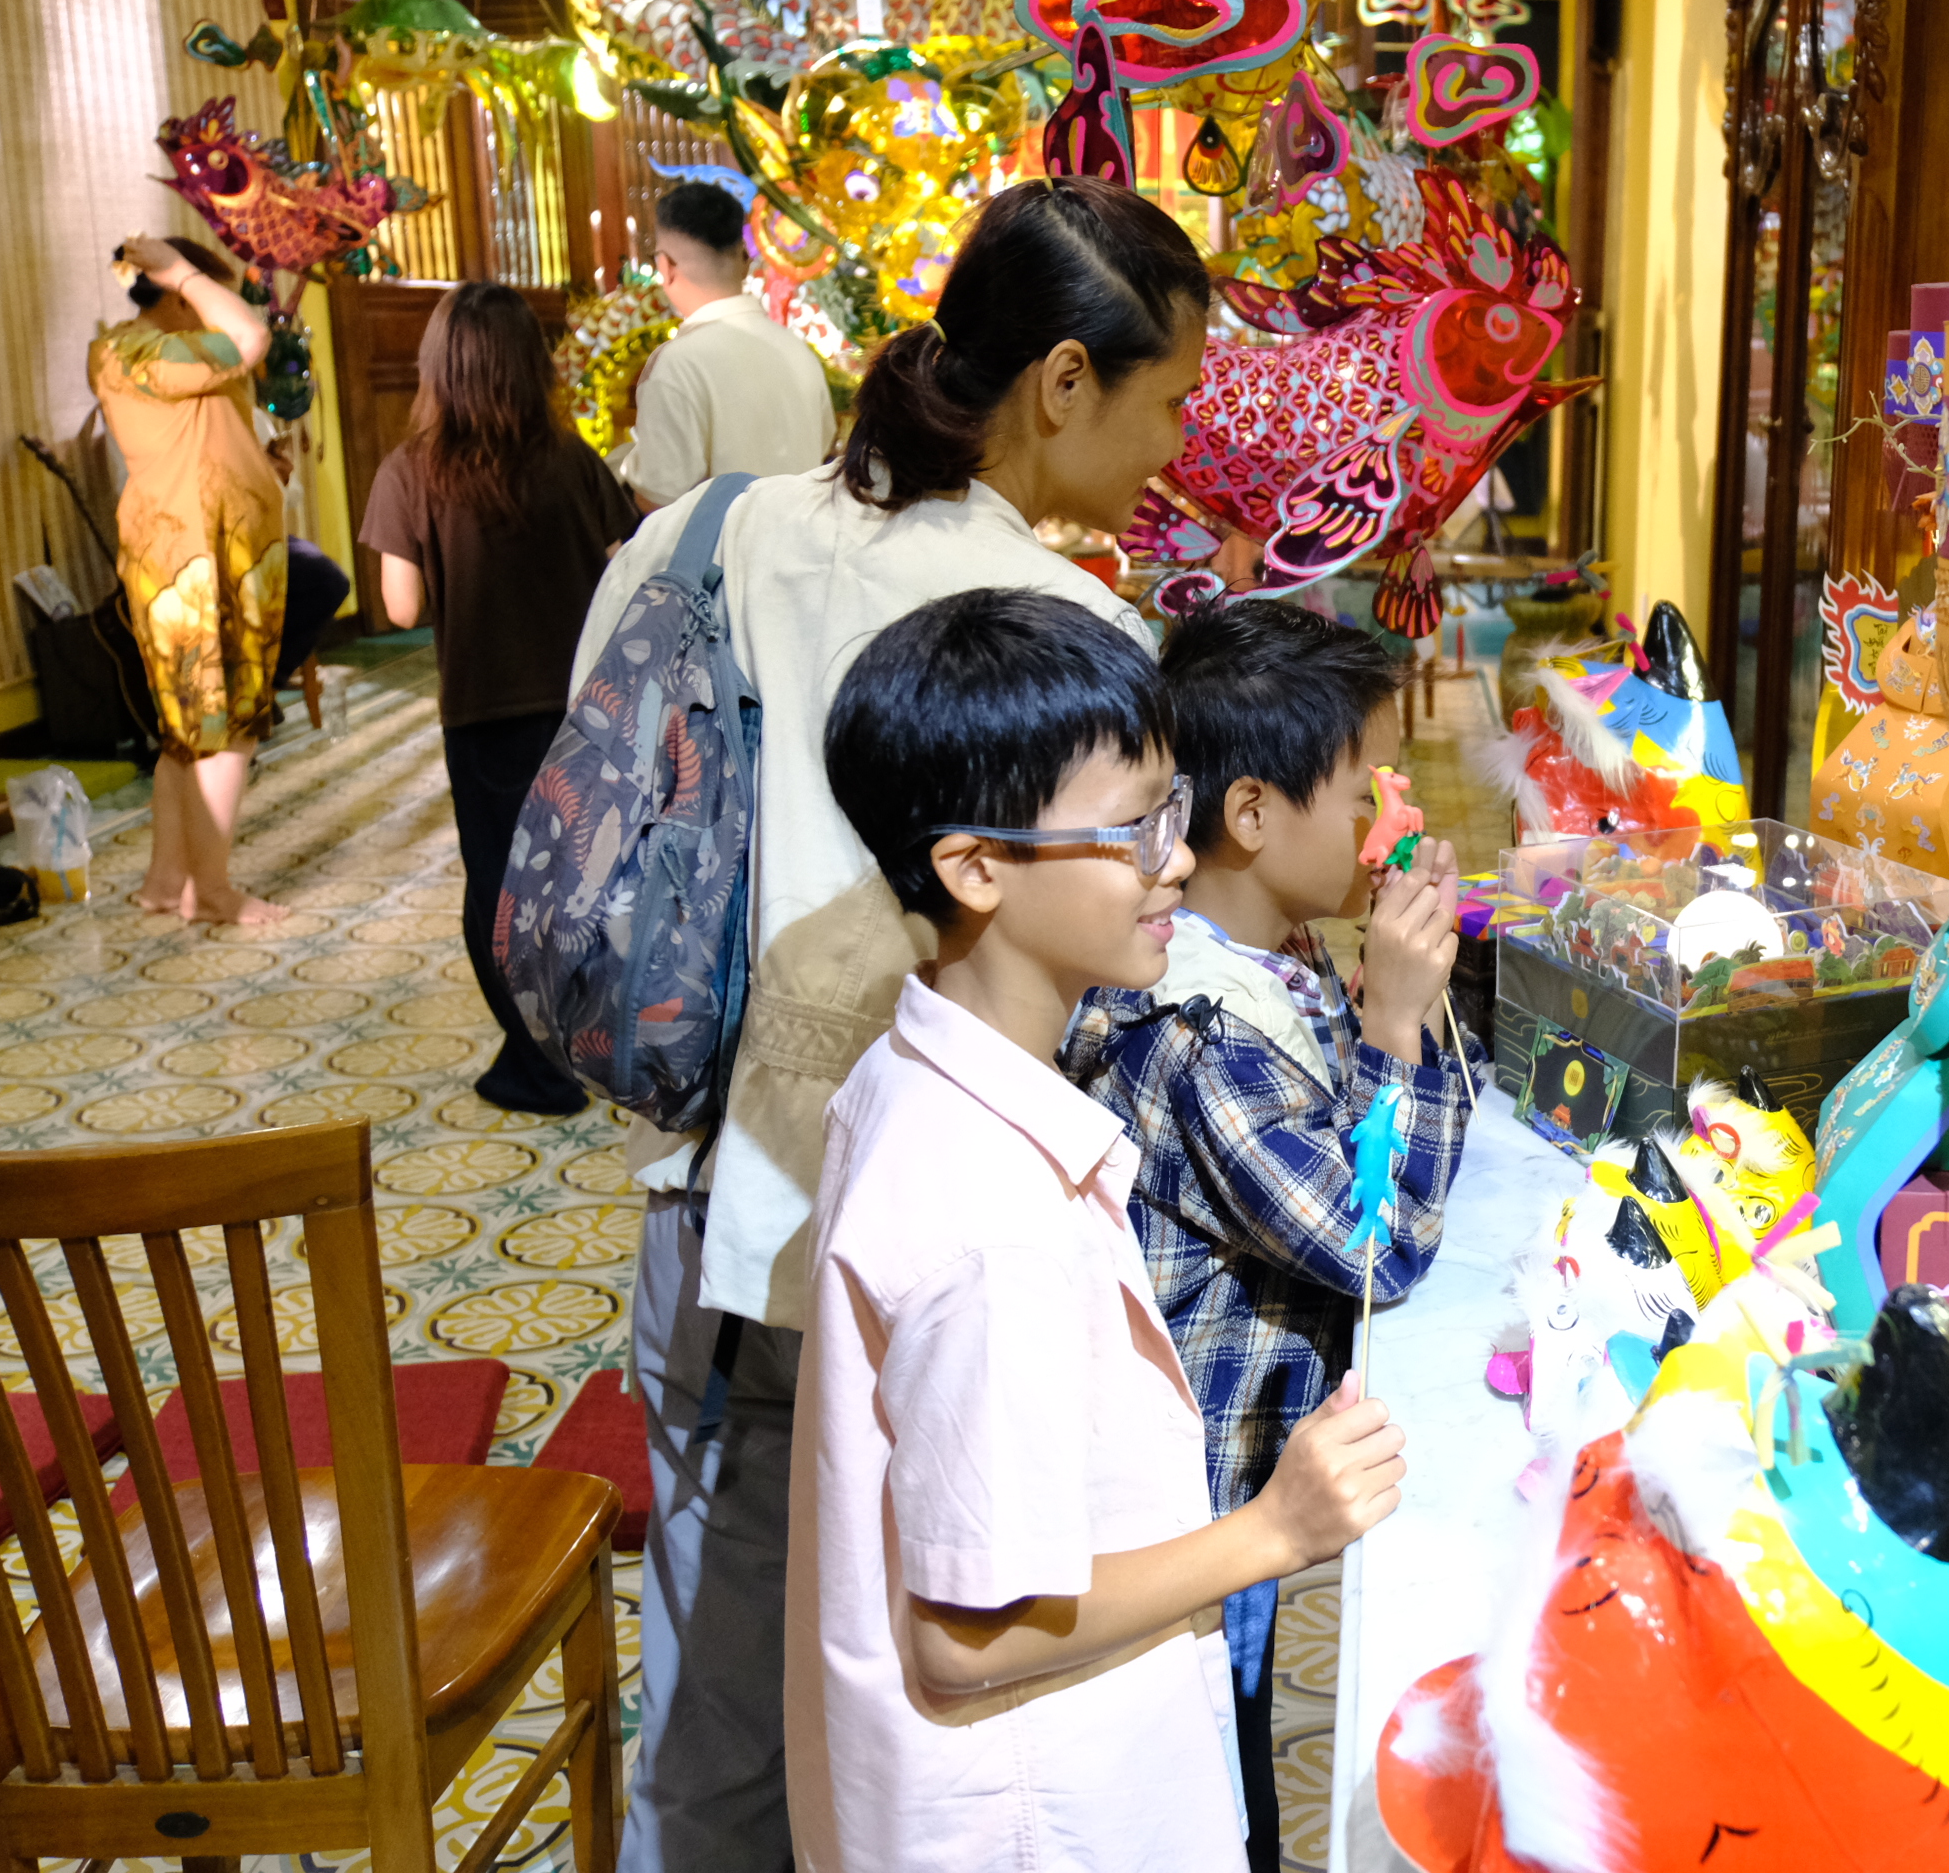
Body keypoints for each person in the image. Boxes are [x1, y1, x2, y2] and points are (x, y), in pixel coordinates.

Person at [569, 177, 1212, 1873]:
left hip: (723, 1212)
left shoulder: (698, 531)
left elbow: (605, 818)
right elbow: (1129, 937)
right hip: (948, 1236)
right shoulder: (1060, 642)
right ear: (1064, 384)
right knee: (927, 1701)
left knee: (710, 1721)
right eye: (1169, 404)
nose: (1175, 449)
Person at [790, 587, 1404, 1872]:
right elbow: (973, 1632)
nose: (1173, 861)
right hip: (1032, 1820)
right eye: (1132, 829)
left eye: (1170, 815)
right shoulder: (987, 1216)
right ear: (974, 867)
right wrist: (1276, 1530)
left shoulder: (926, 1073)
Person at [1060, 599, 1471, 1868]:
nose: (1389, 821)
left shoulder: (1274, 953)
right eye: (1365, 794)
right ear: (1249, 815)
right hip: (1181, 1521)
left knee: (1230, 1760)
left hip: (1231, 1492)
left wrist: (1401, 1018)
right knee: (1210, 1784)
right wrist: (1395, 1025)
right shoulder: (1197, 1029)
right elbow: (1378, 1246)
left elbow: (1402, 1175)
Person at [359, 282, 639, 1116]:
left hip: (481, 712)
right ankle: (592, 1042)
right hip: (579, 713)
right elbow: (627, 563)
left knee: (498, 892)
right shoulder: (571, 459)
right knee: (577, 882)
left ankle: (535, 1065)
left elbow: (402, 607)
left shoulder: (411, 471)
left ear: (438, 368)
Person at [92, 233, 285, 924]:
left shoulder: (154, 353)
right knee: (226, 726)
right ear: (180, 292)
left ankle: (168, 880)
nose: (219, 306)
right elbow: (250, 337)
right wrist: (182, 274)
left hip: (204, 560)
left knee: (187, 732)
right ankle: (213, 889)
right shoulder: (139, 350)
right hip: (196, 568)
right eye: (208, 291)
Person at [619, 182, 836, 510]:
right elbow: (822, 454)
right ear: (746, 260)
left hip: (721, 560)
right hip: (801, 554)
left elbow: (658, 500)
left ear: (666, 267)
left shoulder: (677, 364)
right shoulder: (798, 351)